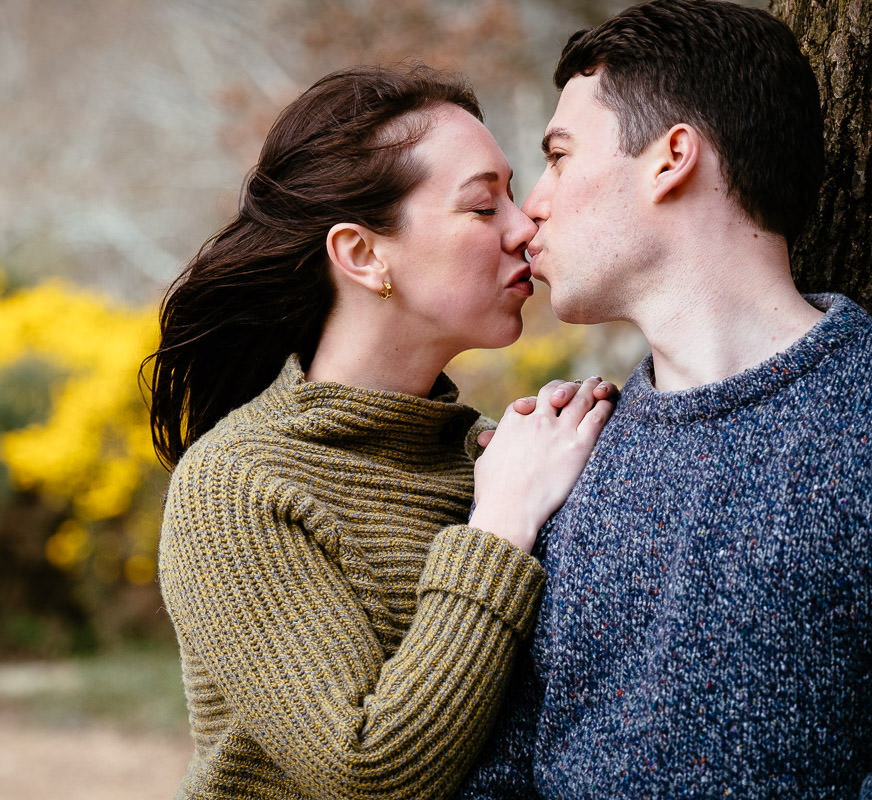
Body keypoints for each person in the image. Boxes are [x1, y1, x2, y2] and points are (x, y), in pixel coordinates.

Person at [144, 64, 616, 800]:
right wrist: (498, 528)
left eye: (514, 196)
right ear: (363, 255)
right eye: (483, 206)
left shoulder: (500, 457)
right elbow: (365, 773)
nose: (526, 227)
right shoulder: (239, 485)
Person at [456, 1, 872, 798]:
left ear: (671, 156)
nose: (530, 209)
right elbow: (500, 766)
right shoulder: (562, 452)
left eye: (560, 155)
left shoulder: (858, 420)